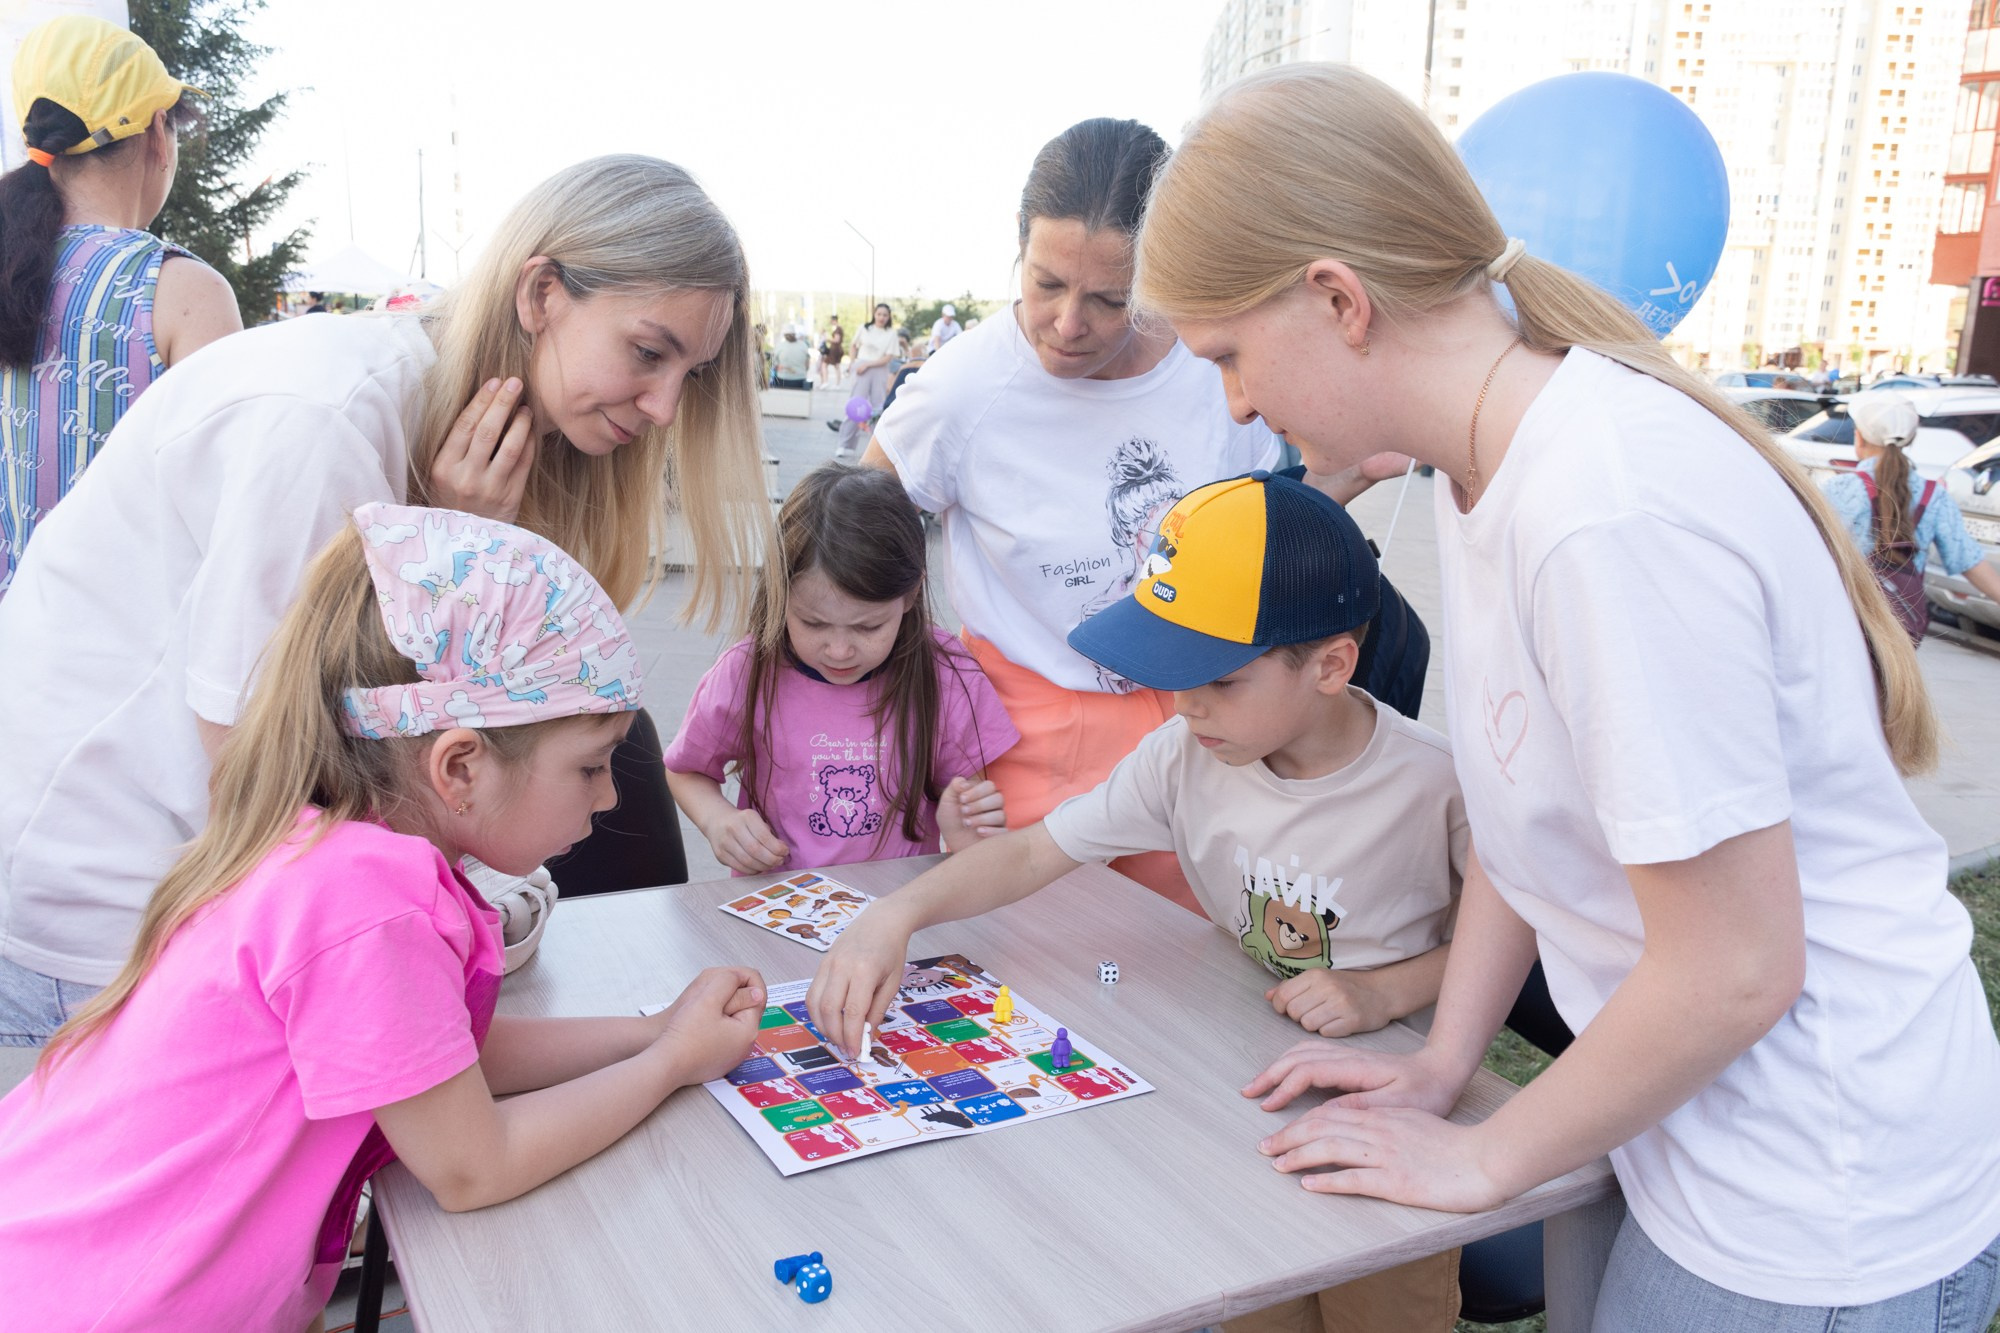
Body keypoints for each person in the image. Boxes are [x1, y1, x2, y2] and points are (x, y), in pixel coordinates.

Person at [1135, 63, 2000, 1328]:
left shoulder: (1604, 510)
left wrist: (1487, 1153)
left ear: (1337, 299)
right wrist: (1440, 1063)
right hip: (1665, 1129)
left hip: (1812, 1196)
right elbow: (1525, 821)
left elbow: (1735, 967)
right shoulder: (1487, 469)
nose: (1236, 403)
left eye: (1228, 355)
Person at [0, 153, 772, 1046]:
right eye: (648, 351)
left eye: (694, 373)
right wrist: (443, 542)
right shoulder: (326, 415)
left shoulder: (443, 432)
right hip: (112, 904)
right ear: (542, 294)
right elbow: (266, 753)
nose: (668, 406)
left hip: (209, 886)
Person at [0, 504, 766, 1331]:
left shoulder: (333, 853)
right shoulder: (364, 901)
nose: (612, 795)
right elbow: (473, 1165)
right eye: (590, 765)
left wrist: (652, 1031)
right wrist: (670, 1065)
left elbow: (440, 1053)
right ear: (459, 765)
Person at [808, 471, 1466, 1333]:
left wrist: (1389, 990)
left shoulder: (1437, 782)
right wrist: (890, 916)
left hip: (1394, 1118)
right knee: (1250, 1299)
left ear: (1332, 664)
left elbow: (1525, 931)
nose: (1186, 704)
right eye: (1170, 670)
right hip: (1243, 1095)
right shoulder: (1184, 754)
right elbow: (1035, 851)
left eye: (1219, 679)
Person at [858, 116, 1409, 912]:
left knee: (1190, 956)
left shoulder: (1214, 365)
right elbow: (852, 542)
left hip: (1201, 712)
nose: (1069, 322)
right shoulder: (962, 388)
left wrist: (1336, 486)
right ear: (1018, 246)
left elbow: (1251, 546)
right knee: (1038, 963)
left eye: (1111, 299)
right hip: (1023, 725)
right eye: (1046, 282)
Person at [665, 463, 1018, 874]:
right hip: (780, 908)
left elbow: (969, 804)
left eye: (868, 626)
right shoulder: (748, 670)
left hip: (898, 912)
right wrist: (717, 821)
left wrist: (965, 836)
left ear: (910, 595)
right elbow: (685, 771)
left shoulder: (945, 672)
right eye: (812, 623)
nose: (839, 650)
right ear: (781, 593)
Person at [0, 14, 242, 595]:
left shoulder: (14, 263)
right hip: (126, 666)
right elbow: (237, 517)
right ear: (158, 132)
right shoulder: (182, 292)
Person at [1823, 392, 2000, 643]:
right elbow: (1968, 560)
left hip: (1846, 621)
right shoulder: (1934, 495)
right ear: (1910, 439)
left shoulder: (1840, 490)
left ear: (1859, 437)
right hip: (1899, 629)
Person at [830, 301, 898, 457]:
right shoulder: (864, 328)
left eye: (885, 315)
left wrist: (868, 364)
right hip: (861, 368)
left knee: (877, 408)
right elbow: (853, 345)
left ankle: (875, 449)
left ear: (889, 317)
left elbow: (888, 357)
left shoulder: (891, 333)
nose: (881, 317)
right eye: (879, 314)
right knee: (855, 404)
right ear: (874, 314)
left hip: (879, 368)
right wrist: (853, 363)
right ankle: (844, 444)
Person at [819, 316, 845, 387]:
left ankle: (826, 382)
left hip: (835, 350)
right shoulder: (839, 329)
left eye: (831, 321)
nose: (830, 323)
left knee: (825, 364)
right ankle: (837, 384)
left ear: (834, 320)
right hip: (836, 349)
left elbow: (836, 340)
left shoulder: (838, 329)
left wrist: (827, 339)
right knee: (836, 366)